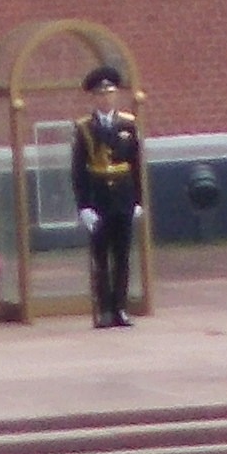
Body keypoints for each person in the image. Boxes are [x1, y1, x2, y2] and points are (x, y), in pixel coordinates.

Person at [69, 58, 144, 324]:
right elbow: (79, 170)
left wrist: (138, 200)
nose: (106, 99)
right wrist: (84, 207)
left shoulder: (128, 124)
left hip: (123, 196)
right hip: (98, 198)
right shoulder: (84, 128)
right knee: (100, 258)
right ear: (94, 98)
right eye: (101, 94)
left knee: (122, 256)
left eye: (110, 93)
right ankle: (104, 310)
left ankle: (120, 308)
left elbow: (136, 165)